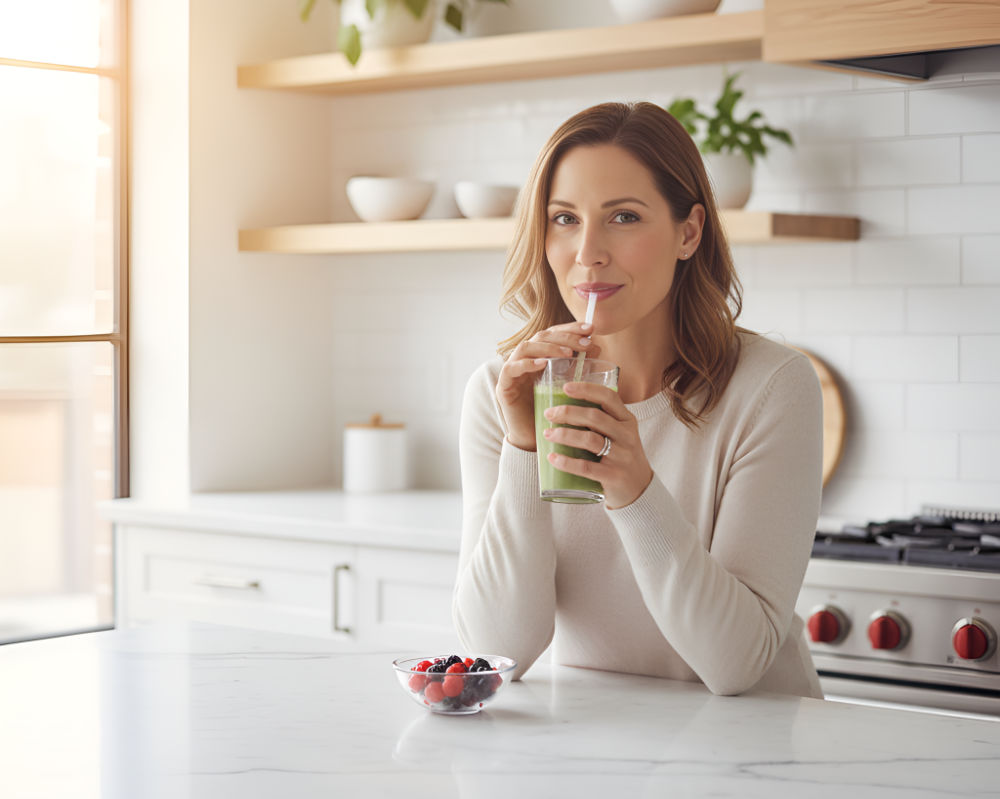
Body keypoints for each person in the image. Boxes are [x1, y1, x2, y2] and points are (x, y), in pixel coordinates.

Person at [452, 101, 823, 698]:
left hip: (753, 758)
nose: (587, 252)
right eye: (564, 218)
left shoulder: (773, 387)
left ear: (689, 232)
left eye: (623, 217)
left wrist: (635, 491)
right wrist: (523, 447)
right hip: (599, 748)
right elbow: (495, 654)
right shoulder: (504, 392)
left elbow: (736, 665)